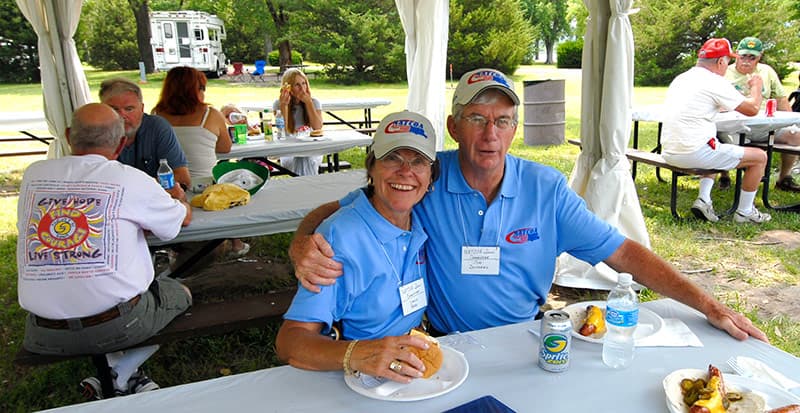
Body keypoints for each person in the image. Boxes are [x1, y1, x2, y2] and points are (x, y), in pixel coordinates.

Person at [289, 68, 768, 344]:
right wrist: (301, 245)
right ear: (455, 128)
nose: (490, 133)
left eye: (502, 120)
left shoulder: (546, 189)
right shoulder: (425, 176)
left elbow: (622, 253)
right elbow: (342, 209)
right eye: (476, 118)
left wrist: (707, 303)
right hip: (450, 342)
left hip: (527, 337)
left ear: (515, 129)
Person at [16, 103, 193, 399]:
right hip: (116, 324)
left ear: (69, 135)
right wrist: (179, 199)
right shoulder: (130, 179)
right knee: (179, 293)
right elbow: (179, 221)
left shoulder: (34, 175)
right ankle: (120, 372)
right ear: (122, 142)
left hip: (41, 331)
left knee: (126, 296)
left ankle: (116, 372)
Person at [275, 111, 439, 382]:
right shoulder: (339, 237)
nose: (406, 172)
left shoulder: (419, 216)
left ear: (431, 175)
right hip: (359, 378)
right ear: (371, 167)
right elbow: (289, 342)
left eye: (419, 161)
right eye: (392, 158)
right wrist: (356, 354)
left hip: (413, 363)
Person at [661, 38, 770, 224]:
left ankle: (704, 199)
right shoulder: (714, 81)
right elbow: (752, 109)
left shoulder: (681, 78)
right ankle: (745, 212)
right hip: (693, 152)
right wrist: (756, 88)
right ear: (721, 61)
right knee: (760, 157)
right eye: (728, 62)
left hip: (669, 150)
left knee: (712, 143)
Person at [151, 67, 249, 257]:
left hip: (168, 187)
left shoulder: (156, 115)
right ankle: (236, 243)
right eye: (202, 87)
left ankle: (177, 250)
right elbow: (225, 148)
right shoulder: (210, 114)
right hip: (205, 186)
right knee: (226, 186)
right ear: (195, 90)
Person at [719, 36, 800, 192]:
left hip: (764, 124)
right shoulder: (725, 73)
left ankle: (784, 178)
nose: (746, 61)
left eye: (752, 57)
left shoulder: (767, 72)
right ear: (736, 54)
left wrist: (791, 121)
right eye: (743, 56)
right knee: (728, 140)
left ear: (759, 56)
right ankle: (725, 175)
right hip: (734, 125)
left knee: (795, 135)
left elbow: (781, 99)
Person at [99, 77, 190, 200]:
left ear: (142, 109)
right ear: (102, 110)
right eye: (114, 109)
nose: (121, 116)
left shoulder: (157, 127)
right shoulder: (94, 132)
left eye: (129, 109)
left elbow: (181, 177)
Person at [274, 68, 324, 175]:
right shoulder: (278, 104)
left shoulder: (314, 102)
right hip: (289, 150)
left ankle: (302, 187)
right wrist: (284, 106)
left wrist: (309, 103)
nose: (302, 88)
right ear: (289, 88)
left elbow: (317, 128)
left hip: (311, 149)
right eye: (297, 85)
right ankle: (309, 186)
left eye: (304, 83)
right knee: (300, 158)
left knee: (304, 158)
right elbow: (284, 132)